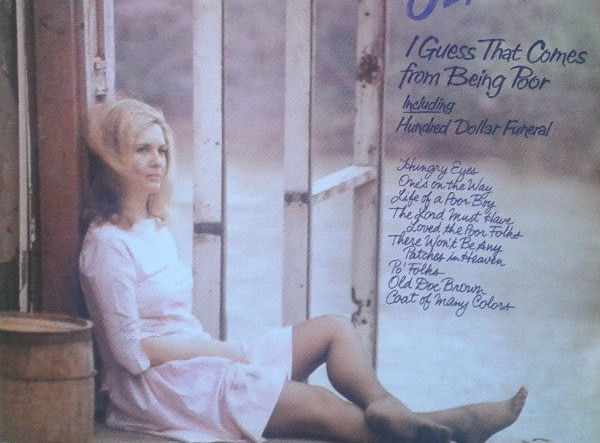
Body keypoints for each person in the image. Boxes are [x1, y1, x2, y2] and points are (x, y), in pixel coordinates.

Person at [80, 97, 528, 443]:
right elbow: (129, 353)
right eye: (142, 149)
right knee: (323, 407)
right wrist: (219, 353)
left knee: (333, 329)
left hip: (200, 361)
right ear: (115, 157)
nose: (157, 160)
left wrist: (220, 353)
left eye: (162, 149)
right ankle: (450, 425)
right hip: (159, 388)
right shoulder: (107, 245)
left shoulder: (153, 228)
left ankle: (386, 404)